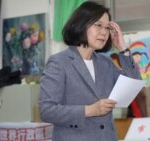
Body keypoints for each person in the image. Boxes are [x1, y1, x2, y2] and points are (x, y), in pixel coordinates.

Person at [38, 1, 141, 141]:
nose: (104, 32)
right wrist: (89, 110)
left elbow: (133, 84)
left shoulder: (105, 63)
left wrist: (123, 48)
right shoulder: (59, 63)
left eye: (107, 28)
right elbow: (47, 111)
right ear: (80, 24)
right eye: (98, 25)